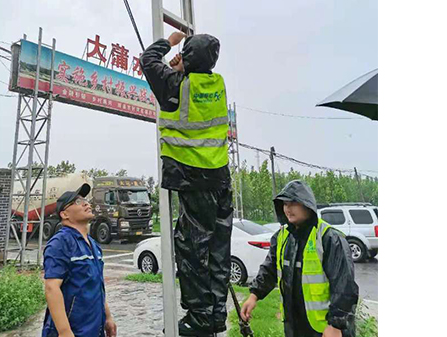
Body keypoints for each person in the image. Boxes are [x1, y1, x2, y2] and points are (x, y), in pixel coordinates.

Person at [141, 31, 232, 337]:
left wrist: (169, 41)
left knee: (193, 251)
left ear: (188, 57)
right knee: (218, 253)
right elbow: (187, 80)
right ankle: (216, 315)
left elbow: (148, 60)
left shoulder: (177, 87)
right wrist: (183, 66)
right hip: (221, 178)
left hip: (194, 179)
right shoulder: (217, 85)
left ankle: (199, 317)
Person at [241, 180, 359, 337]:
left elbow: (345, 285)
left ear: (307, 204)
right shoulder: (282, 237)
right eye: (284, 204)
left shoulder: (328, 238)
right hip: (294, 326)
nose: (287, 209)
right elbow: (269, 270)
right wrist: (254, 295)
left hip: (325, 330)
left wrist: (335, 325)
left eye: (293, 203)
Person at [41, 184, 117, 337]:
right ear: (64, 214)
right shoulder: (60, 243)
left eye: (85, 200)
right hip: (73, 330)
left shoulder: (93, 245)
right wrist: (64, 332)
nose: (86, 203)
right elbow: (52, 288)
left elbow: (97, 285)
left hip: (94, 328)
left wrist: (108, 317)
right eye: (77, 202)